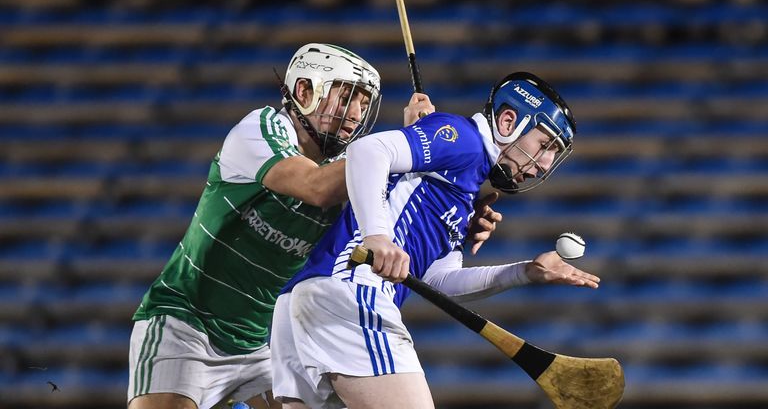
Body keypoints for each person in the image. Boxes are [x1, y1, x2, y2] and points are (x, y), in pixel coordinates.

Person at [127, 43, 501, 409]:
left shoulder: (350, 168)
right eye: (347, 98)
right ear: (305, 91)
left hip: (262, 343)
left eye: (364, 104)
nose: (356, 113)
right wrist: (406, 154)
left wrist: (451, 211)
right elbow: (316, 187)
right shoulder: (260, 129)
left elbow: (397, 214)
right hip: (186, 324)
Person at [271, 71, 602, 409]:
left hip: (303, 301)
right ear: (507, 122)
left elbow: (438, 283)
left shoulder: (464, 190)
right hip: (351, 292)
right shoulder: (464, 139)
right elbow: (368, 150)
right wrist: (377, 237)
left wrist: (525, 272)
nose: (544, 164)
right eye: (544, 145)